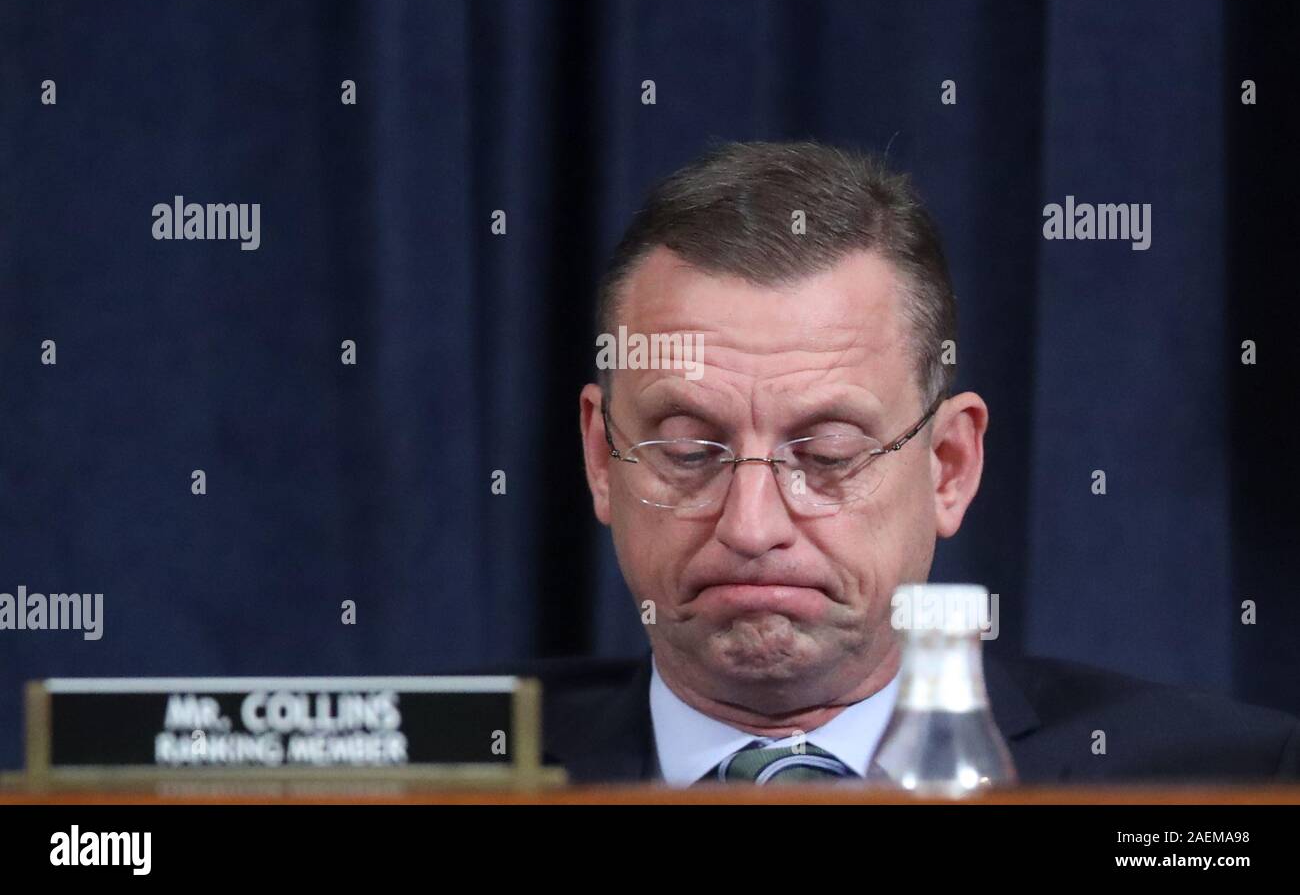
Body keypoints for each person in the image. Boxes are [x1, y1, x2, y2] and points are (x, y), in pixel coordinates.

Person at [510, 140, 1300, 786]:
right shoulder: (429, 769)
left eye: (827, 453)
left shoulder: (1224, 786)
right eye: (687, 450)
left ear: (949, 466)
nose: (751, 527)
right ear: (601, 456)